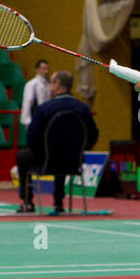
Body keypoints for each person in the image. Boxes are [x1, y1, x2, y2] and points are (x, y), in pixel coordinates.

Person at [15, 70, 98, 213]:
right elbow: (94, 134)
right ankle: (58, 201)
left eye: (51, 83)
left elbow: (32, 138)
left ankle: (27, 201)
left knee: (22, 156)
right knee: (63, 152)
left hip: (47, 160)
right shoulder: (83, 109)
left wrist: (44, 153)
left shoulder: (44, 109)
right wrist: (80, 150)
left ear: (57, 85)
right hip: (73, 161)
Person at [20, 59, 51, 127]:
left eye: (47, 68)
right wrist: (28, 122)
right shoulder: (31, 84)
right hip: (34, 119)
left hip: (46, 119)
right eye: (43, 69)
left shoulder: (48, 84)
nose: (46, 71)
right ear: (37, 70)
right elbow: (27, 103)